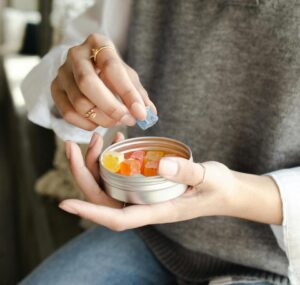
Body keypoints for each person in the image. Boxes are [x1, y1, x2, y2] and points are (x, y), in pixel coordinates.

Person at [20, 0, 300, 284]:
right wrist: (75, 81)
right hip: (150, 233)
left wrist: (236, 195)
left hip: (276, 264)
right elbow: (78, 54)